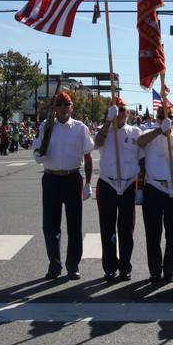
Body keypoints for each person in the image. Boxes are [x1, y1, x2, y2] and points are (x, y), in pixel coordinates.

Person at [32, 91, 94, 280]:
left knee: (74, 226)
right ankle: (54, 264)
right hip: (51, 179)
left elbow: (88, 156)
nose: (63, 108)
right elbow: (37, 148)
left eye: (66, 105)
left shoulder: (80, 128)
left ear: (71, 107)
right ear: (55, 108)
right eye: (59, 105)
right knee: (50, 226)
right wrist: (38, 154)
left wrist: (89, 183)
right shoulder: (46, 126)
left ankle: (73, 265)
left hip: (72, 178)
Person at [93, 96, 142, 281]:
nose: (120, 113)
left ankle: (125, 267)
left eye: (122, 109)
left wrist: (140, 187)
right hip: (108, 183)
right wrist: (107, 120)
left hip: (128, 184)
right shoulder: (105, 130)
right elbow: (96, 143)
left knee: (126, 229)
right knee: (107, 228)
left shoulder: (135, 132)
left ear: (128, 113)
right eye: (116, 109)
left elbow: (142, 159)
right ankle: (109, 267)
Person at [137, 105, 173, 283]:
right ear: (156, 118)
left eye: (168, 117)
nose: (164, 119)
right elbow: (140, 142)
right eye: (160, 116)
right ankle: (154, 270)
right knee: (153, 233)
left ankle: (169, 271)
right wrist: (159, 130)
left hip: (172, 191)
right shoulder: (150, 135)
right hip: (153, 188)